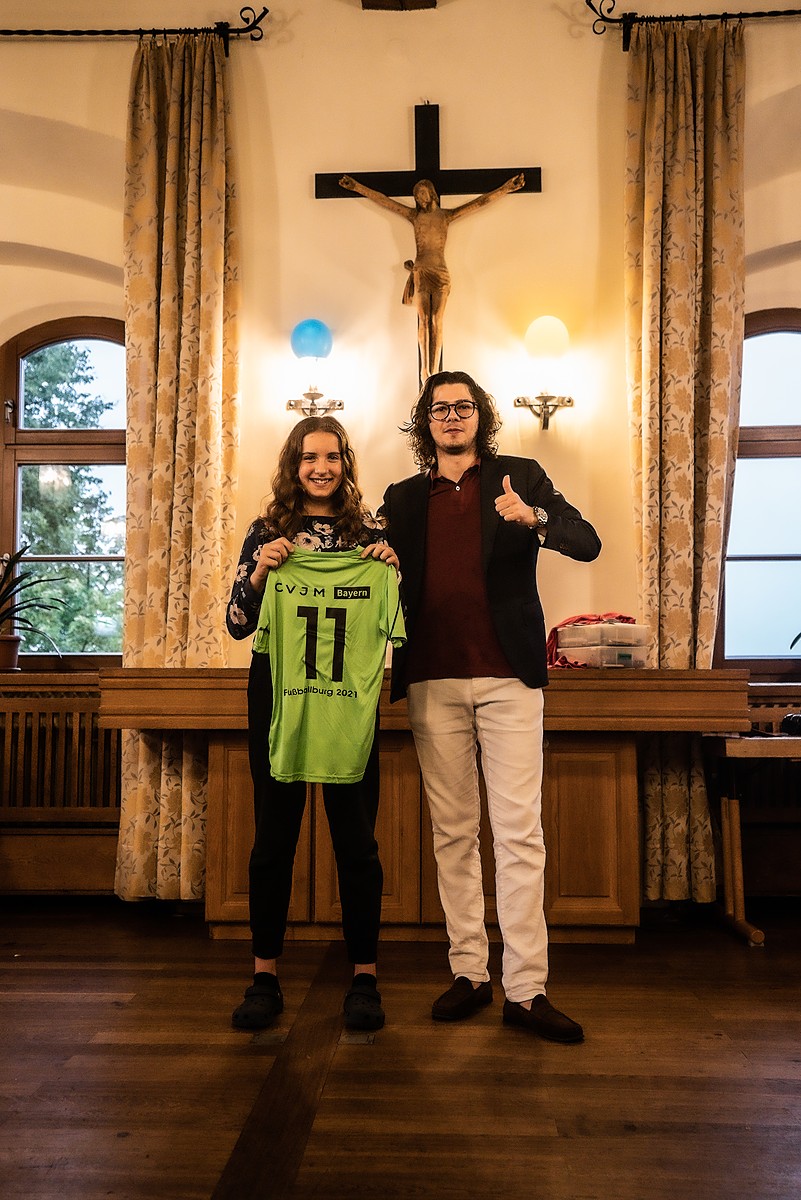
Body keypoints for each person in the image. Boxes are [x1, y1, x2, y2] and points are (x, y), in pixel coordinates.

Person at [379, 370, 601, 1042]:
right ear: (424, 423)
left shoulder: (520, 477)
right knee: (453, 834)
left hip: (509, 678)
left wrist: (534, 520)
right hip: (432, 680)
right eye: (439, 409)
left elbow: (586, 541)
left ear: (481, 416)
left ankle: (526, 990)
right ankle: (470, 973)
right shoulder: (402, 498)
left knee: (519, 835)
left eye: (463, 406)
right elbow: (371, 565)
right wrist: (376, 556)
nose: (451, 417)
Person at [226, 415, 400, 1033]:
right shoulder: (266, 532)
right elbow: (238, 623)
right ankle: (264, 976)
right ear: (293, 466)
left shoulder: (370, 534)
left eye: (331, 457)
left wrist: (390, 568)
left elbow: (398, 619)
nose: (320, 468)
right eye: (309, 458)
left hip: (347, 698)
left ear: (345, 464)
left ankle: (364, 978)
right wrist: (260, 571)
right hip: (278, 694)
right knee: (273, 837)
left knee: (357, 841)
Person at [339, 173, 525, 381]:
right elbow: (385, 201)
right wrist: (357, 187)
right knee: (424, 320)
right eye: (417, 196)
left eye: (422, 193)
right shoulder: (414, 216)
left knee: (436, 319)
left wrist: (506, 188)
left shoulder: (445, 216)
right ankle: (425, 371)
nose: (420, 198)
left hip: (440, 273)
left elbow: (479, 203)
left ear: (432, 193)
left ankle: (435, 371)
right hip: (421, 271)